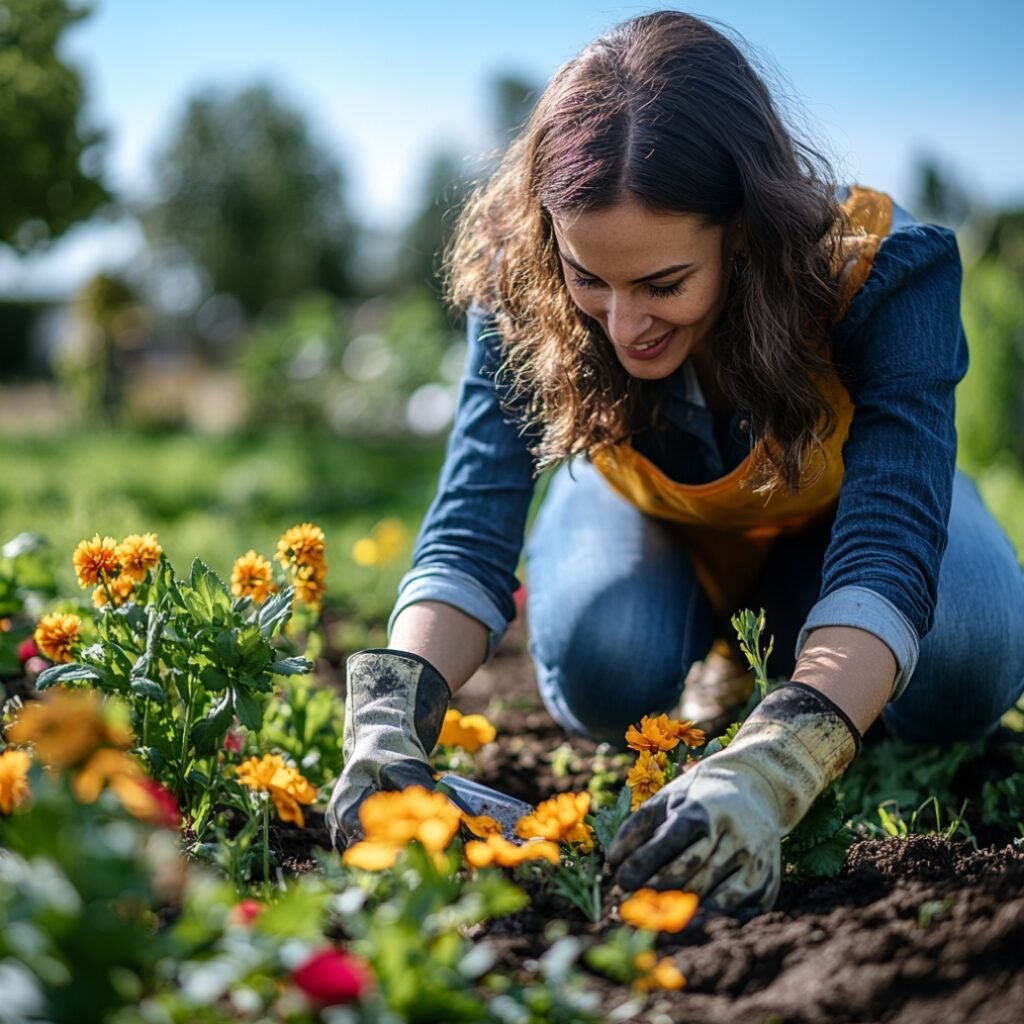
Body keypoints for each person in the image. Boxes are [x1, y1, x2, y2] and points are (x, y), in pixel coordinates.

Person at [327, 10, 1024, 915]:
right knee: (604, 669)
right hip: (655, 524)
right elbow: (471, 517)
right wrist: (388, 717)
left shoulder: (882, 272)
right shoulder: (523, 280)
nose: (621, 328)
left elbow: (891, 536)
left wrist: (782, 761)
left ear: (744, 231)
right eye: (589, 277)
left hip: (842, 527)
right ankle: (748, 660)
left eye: (663, 285)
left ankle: (812, 673)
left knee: (965, 655)